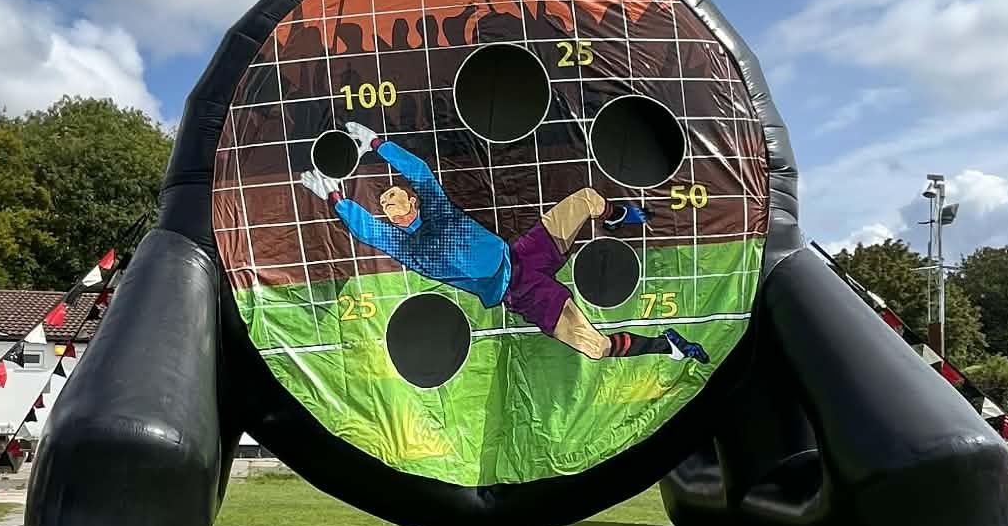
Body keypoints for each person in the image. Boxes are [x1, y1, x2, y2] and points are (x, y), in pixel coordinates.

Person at [299, 121, 709, 364]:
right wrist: (335, 197)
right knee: (596, 348)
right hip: (521, 291)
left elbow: (419, 170)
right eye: (389, 210)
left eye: (398, 202)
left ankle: (619, 217)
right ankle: (665, 345)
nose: (394, 211)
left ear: (413, 200)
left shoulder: (436, 208)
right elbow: (366, 229)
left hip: (525, 253)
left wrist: (376, 144)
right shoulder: (405, 245)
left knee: (586, 198)